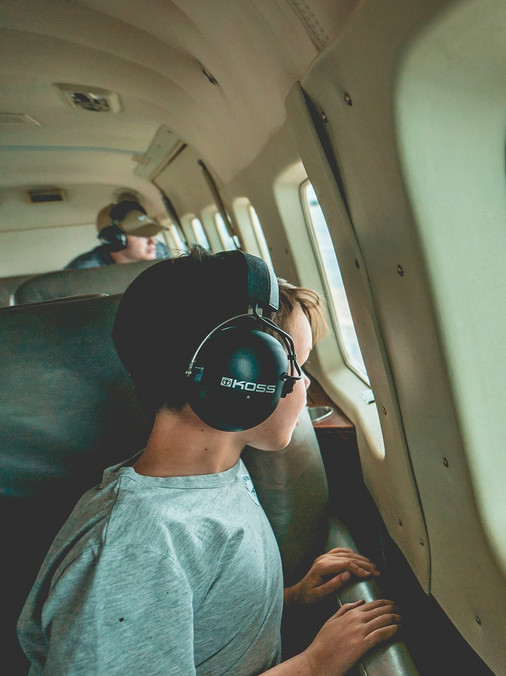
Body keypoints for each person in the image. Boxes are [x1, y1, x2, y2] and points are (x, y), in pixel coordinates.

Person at [18, 248, 401, 675]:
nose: (306, 384)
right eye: (296, 365)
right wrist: (313, 664)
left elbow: (192, 614)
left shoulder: (218, 475)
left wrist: (286, 597)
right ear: (243, 372)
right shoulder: (134, 548)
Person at [64, 200, 171, 269]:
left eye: (150, 233)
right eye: (140, 235)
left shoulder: (161, 251)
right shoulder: (81, 272)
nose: (153, 242)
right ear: (114, 240)